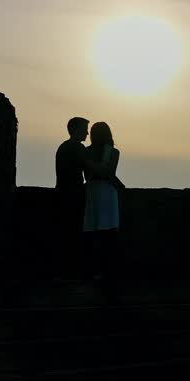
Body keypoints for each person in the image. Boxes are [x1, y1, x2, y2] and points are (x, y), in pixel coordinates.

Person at [82, 121, 122, 285]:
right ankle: (108, 271)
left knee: (93, 231)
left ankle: (94, 270)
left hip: (92, 190)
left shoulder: (86, 152)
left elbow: (87, 174)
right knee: (108, 232)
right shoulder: (113, 152)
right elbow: (110, 173)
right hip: (107, 191)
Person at [54, 116, 89, 278]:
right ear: (75, 130)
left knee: (65, 234)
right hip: (73, 194)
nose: (87, 133)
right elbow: (90, 168)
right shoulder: (76, 148)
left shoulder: (64, 147)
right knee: (73, 234)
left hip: (62, 193)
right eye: (84, 129)